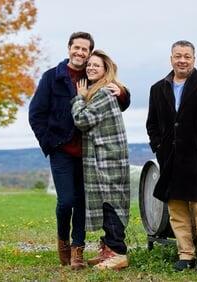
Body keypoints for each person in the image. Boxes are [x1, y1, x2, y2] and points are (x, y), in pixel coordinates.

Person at [28, 32, 130, 270]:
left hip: (88, 154)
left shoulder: (92, 75)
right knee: (66, 201)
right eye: (77, 48)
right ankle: (63, 240)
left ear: (89, 53)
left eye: (85, 50)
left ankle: (77, 250)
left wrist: (122, 92)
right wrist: (49, 142)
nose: (80, 53)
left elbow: (118, 101)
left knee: (84, 202)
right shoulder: (52, 77)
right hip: (62, 150)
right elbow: (36, 114)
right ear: (69, 48)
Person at [146, 40, 197, 273]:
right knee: (177, 212)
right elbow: (152, 124)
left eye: (187, 56)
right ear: (171, 58)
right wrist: (158, 147)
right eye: (178, 55)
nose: (182, 60)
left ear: (194, 58)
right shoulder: (157, 88)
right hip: (171, 160)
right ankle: (186, 255)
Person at [71, 50, 130, 270]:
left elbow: (82, 119)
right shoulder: (99, 92)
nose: (91, 68)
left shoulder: (104, 93)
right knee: (106, 203)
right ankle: (108, 250)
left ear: (106, 69)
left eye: (96, 65)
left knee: (111, 204)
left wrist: (78, 98)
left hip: (108, 159)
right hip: (103, 158)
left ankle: (118, 253)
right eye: (89, 66)